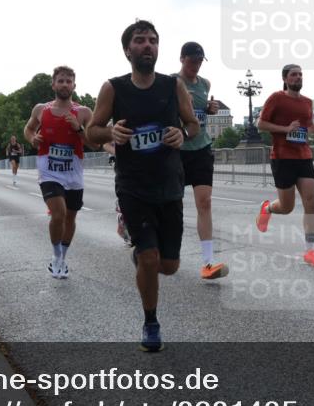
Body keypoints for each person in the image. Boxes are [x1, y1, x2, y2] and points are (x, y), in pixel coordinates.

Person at [87, 19, 199, 352]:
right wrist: (111, 133)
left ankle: (142, 256)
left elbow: (193, 124)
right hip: (133, 187)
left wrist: (183, 133)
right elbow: (91, 132)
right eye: (140, 40)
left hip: (169, 185)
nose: (147, 45)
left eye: (152, 40)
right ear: (127, 50)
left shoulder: (172, 86)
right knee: (151, 259)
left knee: (170, 266)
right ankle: (151, 323)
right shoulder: (114, 88)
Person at [255, 64, 314, 267]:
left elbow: (310, 126)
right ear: (285, 79)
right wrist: (285, 128)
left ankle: (310, 251)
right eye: (294, 75)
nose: (298, 77)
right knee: (287, 207)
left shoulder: (307, 102)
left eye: (300, 75)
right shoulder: (276, 98)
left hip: (303, 155)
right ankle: (268, 208)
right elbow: (260, 124)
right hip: (282, 156)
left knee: (310, 200)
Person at [24, 66, 91, 280]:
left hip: (73, 172)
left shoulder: (83, 112)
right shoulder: (41, 110)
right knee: (59, 213)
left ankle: (62, 257)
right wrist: (33, 139)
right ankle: (55, 257)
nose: (64, 84)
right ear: (53, 84)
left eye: (68, 81)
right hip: (49, 170)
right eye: (60, 81)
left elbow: (94, 141)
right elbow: (28, 129)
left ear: (74, 85)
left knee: (70, 217)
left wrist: (79, 130)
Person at [173, 41, 229, 280]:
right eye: (192, 60)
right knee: (171, 203)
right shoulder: (171, 82)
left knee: (204, 202)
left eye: (199, 61)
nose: (195, 65)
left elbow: (202, 108)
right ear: (182, 59)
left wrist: (209, 108)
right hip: (177, 149)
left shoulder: (205, 83)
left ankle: (208, 262)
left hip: (201, 148)